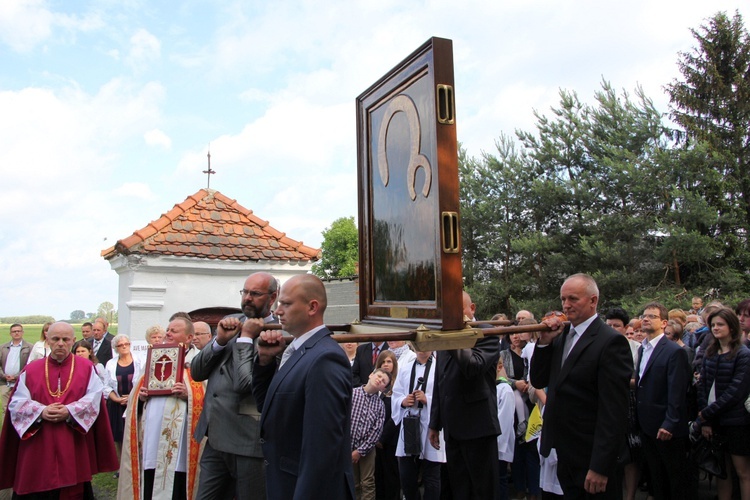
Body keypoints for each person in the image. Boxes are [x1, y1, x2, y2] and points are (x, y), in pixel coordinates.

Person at [252, 274, 355, 499]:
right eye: (279, 303)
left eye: (286, 304)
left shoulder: (325, 358)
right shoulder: (300, 351)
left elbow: (321, 449)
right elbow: (267, 408)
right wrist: (265, 362)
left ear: (312, 307)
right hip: (285, 484)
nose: (278, 311)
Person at [530, 273, 632, 498]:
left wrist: (600, 466)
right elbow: (538, 381)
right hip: (562, 452)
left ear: (593, 300)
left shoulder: (610, 342)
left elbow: (613, 411)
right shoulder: (560, 335)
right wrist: (544, 343)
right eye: (563, 299)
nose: (566, 305)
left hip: (590, 455)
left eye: (573, 299)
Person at [0, 322, 118, 497]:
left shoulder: (86, 369)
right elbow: (17, 403)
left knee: (72, 488)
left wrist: (70, 411)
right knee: (36, 484)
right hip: (39, 442)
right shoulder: (31, 370)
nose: (60, 343)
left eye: (65, 339)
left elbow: (94, 399)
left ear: (73, 340)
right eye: (55, 339)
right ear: (47, 340)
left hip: (72, 440)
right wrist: (41, 411)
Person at [190, 271, 279, 500]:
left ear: (272, 298)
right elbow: (198, 372)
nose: (247, 298)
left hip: (247, 441)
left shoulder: (278, 334)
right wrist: (219, 341)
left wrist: (245, 339)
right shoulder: (232, 322)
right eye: (245, 292)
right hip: (215, 437)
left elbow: (246, 385)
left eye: (255, 294)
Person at [118, 317, 205, 500]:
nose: (168, 333)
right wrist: (140, 398)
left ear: (189, 337)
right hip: (151, 437)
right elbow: (135, 396)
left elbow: (208, 396)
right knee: (149, 478)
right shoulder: (154, 358)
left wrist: (188, 395)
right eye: (168, 329)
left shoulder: (198, 362)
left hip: (182, 443)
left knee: (178, 482)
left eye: (174, 331)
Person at [428, 291, 501, 499]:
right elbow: (440, 380)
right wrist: (435, 422)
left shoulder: (486, 333)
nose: (450, 316)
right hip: (453, 428)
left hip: (478, 427)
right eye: (446, 312)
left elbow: (473, 366)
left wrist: (451, 335)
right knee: (460, 491)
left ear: (472, 309)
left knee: (484, 491)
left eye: (455, 311)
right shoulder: (446, 334)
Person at [634, 302, 690, 500]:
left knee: (674, 479)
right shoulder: (642, 349)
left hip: (666, 427)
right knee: (656, 478)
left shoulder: (674, 351)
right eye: (644, 315)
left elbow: (677, 391)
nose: (646, 319)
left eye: (652, 316)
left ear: (664, 323)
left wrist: (670, 422)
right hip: (647, 425)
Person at [695, 307, 750, 500]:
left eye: (720, 324)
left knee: (742, 471)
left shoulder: (743, 354)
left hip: (736, 423)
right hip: (714, 422)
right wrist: (706, 419)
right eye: (713, 325)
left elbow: (736, 392)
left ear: (732, 327)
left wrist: (707, 413)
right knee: (720, 470)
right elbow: (702, 385)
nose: (715, 328)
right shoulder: (711, 352)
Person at [393, 350, 445, 500]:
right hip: (409, 424)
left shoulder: (439, 367)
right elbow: (396, 394)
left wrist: (427, 399)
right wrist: (403, 401)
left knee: (432, 476)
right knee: (407, 475)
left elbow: (445, 394)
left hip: (431, 424)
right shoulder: (405, 367)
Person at [351, 369, 390, 500]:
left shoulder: (380, 405)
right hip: (347, 445)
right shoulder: (352, 393)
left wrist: (361, 451)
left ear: (384, 388)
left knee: (367, 482)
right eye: (379, 376)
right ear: (371, 375)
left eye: (383, 381)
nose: (380, 380)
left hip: (367, 448)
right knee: (353, 481)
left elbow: (377, 431)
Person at [105, 333, 142, 460]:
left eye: (126, 344)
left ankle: (136, 463)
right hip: (118, 404)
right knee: (119, 437)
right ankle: (122, 466)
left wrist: (132, 397)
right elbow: (106, 386)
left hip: (136, 403)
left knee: (136, 434)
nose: (124, 347)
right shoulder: (110, 364)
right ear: (116, 348)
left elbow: (143, 382)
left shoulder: (140, 360)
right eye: (120, 345)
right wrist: (116, 398)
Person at [374, 350, 401, 500]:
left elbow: (396, 415)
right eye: (383, 361)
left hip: (390, 440)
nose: (385, 364)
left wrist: (382, 438)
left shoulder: (397, 385)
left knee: (391, 476)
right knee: (378, 476)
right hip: (374, 440)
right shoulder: (376, 385)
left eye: (389, 361)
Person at [0, 324, 33, 425]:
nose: (17, 333)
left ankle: (19, 430)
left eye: (19, 331)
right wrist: (4, 376)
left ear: (22, 332)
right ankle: (6, 433)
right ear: (10, 333)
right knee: (5, 409)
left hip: (21, 383)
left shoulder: (29, 347)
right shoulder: (2, 347)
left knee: (22, 408)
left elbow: (29, 365)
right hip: (4, 383)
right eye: (14, 331)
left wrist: (16, 376)